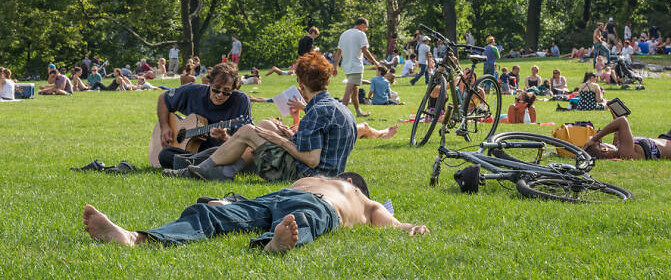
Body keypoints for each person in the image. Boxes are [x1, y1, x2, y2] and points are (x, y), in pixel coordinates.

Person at [81, 173, 429, 252]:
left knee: (301, 219)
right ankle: (134, 236)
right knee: (211, 215)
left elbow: (391, 221)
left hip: (322, 207)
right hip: (277, 196)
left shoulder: (360, 198)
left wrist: (410, 225)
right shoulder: (316, 177)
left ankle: (274, 243)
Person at [165, 52, 357, 182]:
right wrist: (287, 134)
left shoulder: (315, 112)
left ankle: (199, 171)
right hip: (330, 174)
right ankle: (226, 171)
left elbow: (312, 160)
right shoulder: (341, 109)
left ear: (300, 82)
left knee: (248, 130)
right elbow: (322, 146)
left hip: (307, 176)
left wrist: (280, 141)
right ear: (327, 81)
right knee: (265, 124)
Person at [156, 62, 253, 169]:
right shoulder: (192, 91)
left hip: (220, 153)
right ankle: (202, 168)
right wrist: (164, 126)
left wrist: (225, 137)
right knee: (165, 155)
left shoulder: (241, 101)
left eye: (226, 91)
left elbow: (245, 144)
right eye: (216, 88)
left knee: (241, 159)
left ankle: (196, 167)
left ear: (234, 89)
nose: (220, 94)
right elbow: (163, 99)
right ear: (209, 83)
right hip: (193, 153)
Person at [333, 18, 380, 118]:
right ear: (362, 25)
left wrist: (335, 66)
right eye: (366, 27)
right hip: (356, 66)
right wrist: (375, 62)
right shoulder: (361, 34)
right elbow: (365, 50)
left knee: (355, 91)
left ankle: (358, 112)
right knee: (349, 92)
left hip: (346, 66)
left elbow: (338, 52)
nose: (366, 29)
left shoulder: (344, 34)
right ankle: (341, 115)